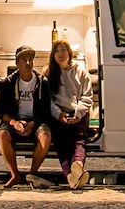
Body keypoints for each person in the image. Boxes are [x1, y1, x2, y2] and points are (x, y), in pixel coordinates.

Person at [0, 45, 53, 189]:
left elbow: (46, 111)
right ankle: (15, 175)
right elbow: (1, 111)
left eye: (30, 59)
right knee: (2, 135)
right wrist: (14, 122)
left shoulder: (42, 82)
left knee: (45, 136)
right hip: (15, 120)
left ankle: (32, 175)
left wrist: (33, 124)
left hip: (35, 121)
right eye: (24, 60)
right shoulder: (9, 82)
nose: (28, 63)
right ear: (17, 63)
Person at [45, 39, 93, 189]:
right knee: (62, 144)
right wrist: (59, 115)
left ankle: (77, 166)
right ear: (53, 55)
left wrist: (78, 114)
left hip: (78, 113)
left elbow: (87, 96)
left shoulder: (81, 71)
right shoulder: (48, 73)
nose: (61, 53)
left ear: (69, 53)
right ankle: (72, 175)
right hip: (58, 115)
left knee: (79, 139)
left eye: (63, 50)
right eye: (57, 50)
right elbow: (48, 101)